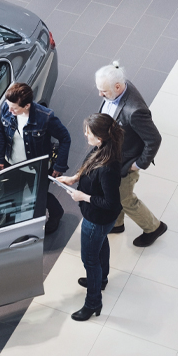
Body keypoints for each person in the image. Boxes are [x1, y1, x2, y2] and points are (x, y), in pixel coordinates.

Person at [58, 113, 123, 321]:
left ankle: (93, 302)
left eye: (88, 132)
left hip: (97, 220)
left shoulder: (108, 168)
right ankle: (101, 279)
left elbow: (112, 203)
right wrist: (74, 178)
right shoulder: (100, 151)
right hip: (98, 220)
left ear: (100, 138)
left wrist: (83, 196)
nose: (85, 135)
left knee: (90, 260)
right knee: (101, 245)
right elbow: (87, 168)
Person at [95, 62, 167, 247]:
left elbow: (154, 139)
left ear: (118, 87)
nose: (100, 95)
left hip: (125, 163)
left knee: (126, 199)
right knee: (114, 192)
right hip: (113, 157)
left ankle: (154, 227)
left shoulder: (135, 111)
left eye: (104, 91)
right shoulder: (118, 88)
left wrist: (138, 164)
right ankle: (117, 224)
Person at [0, 82, 71, 234]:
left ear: (27, 105)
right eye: (8, 105)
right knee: (10, 194)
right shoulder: (7, 107)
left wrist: (59, 166)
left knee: (39, 197)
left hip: (36, 167)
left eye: (14, 108)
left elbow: (65, 138)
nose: (10, 110)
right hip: (12, 164)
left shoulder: (45, 117)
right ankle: (11, 224)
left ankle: (56, 213)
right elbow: (1, 133)